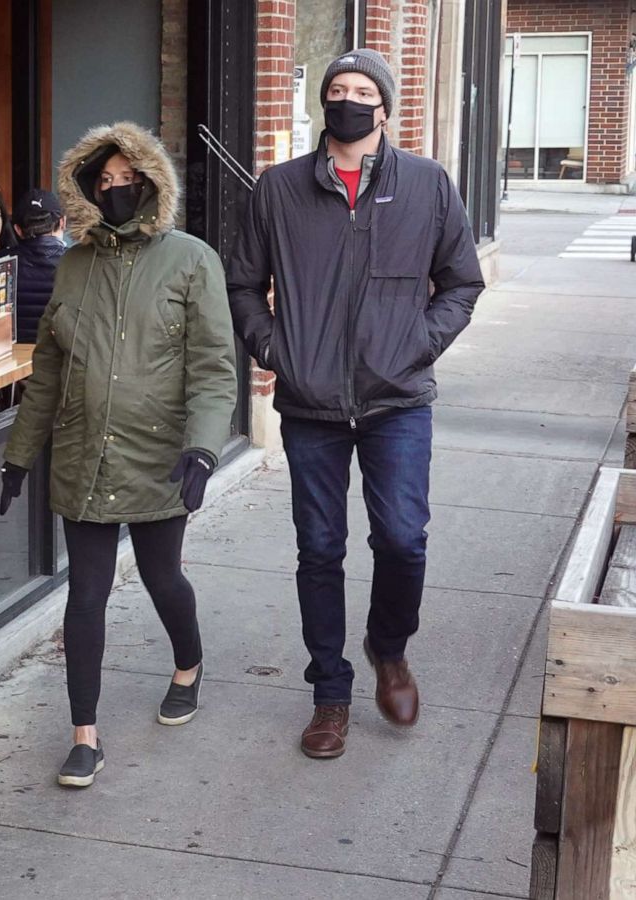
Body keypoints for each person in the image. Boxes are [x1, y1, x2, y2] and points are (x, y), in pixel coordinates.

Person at [225, 49, 484, 759]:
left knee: (403, 539)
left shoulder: (428, 185)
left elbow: (461, 282)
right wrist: (276, 352)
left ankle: (389, 648)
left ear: (384, 106)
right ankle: (330, 693)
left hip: (396, 399)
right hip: (310, 405)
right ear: (324, 105)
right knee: (320, 549)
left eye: (361, 90)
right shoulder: (277, 189)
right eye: (337, 89)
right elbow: (243, 285)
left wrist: (415, 345)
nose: (347, 99)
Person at [0, 122, 237, 790]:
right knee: (87, 592)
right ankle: (85, 736)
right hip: (84, 456)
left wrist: (203, 448)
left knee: (164, 579)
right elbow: (47, 371)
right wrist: (19, 455)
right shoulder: (73, 266)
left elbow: (215, 368)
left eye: (128, 180)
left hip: (161, 458)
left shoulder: (191, 259)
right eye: (103, 182)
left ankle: (188, 663)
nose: (116, 190)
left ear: (152, 184)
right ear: (86, 191)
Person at [10, 188, 68, 343]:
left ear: (18, 230)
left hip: (11, 359)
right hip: (58, 357)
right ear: (62, 222)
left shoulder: (0, 264)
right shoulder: (77, 263)